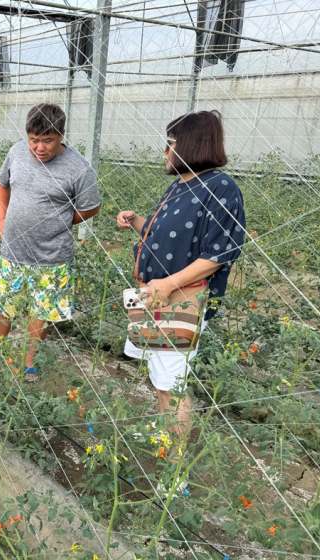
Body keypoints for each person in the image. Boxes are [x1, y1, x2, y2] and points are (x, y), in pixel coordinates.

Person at [116, 110, 246, 438]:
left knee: (172, 385)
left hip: (182, 300)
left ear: (188, 144)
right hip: (157, 295)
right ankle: (165, 436)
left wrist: (169, 283)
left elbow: (219, 253)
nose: (165, 151)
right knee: (162, 380)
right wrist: (138, 223)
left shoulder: (220, 188)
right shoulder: (181, 185)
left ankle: (175, 472)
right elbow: (169, 238)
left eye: (169, 143)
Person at [0, 103, 101, 382]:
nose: (39, 147)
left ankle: (29, 362)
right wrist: (2, 219)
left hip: (51, 255)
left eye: (47, 140)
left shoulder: (79, 169)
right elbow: (1, 183)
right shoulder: (16, 152)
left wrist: (62, 220)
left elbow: (91, 207)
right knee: (6, 304)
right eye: (34, 140)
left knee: (41, 311)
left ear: (61, 135)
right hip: (13, 249)